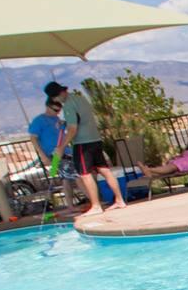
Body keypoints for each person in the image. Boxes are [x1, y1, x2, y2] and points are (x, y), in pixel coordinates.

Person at [46, 82, 128, 215]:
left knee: (85, 174)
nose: (56, 101)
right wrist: (66, 123)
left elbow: (72, 129)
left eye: (55, 98)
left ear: (59, 94)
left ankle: (96, 206)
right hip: (95, 139)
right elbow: (81, 119)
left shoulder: (68, 106)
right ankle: (119, 200)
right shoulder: (80, 98)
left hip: (82, 143)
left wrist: (61, 147)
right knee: (105, 170)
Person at [27, 95, 74, 206]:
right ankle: (74, 204)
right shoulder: (39, 121)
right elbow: (33, 138)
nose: (57, 113)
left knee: (66, 178)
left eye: (59, 111)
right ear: (48, 107)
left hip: (66, 151)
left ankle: (71, 205)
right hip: (54, 153)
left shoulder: (56, 119)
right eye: (55, 110)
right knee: (71, 176)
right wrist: (43, 156)